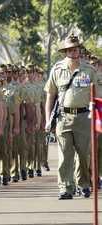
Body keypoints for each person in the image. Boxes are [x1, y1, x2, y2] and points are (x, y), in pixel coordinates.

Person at [44, 34, 97, 199]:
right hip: (63, 117)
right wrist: (47, 120)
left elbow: (97, 97)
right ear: (65, 51)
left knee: (83, 154)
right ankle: (66, 187)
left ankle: (83, 184)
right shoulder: (57, 69)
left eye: (76, 49)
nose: (74, 52)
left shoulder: (89, 70)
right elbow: (50, 97)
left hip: (84, 117)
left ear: (79, 50)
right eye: (70, 50)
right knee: (65, 154)